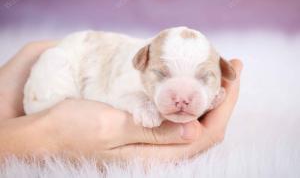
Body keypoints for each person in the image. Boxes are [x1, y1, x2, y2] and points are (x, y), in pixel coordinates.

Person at [0, 41, 243, 162]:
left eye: (204, 78)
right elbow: (120, 92)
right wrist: (39, 136)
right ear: (143, 63)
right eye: (163, 73)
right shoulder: (131, 71)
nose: (181, 99)